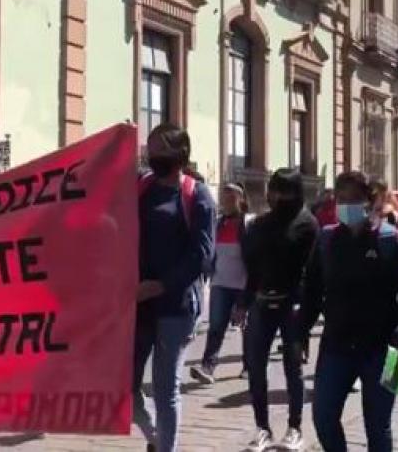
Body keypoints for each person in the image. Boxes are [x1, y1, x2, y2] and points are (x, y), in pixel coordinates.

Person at [301, 170, 398, 452]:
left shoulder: (394, 241)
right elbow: (311, 292)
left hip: (388, 351)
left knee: (379, 426)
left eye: (353, 199)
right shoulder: (326, 240)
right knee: (323, 417)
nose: (346, 205)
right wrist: (299, 333)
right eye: (341, 199)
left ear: (371, 201)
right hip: (336, 346)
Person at [134, 123, 215, 452]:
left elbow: (201, 254)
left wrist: (161, 286)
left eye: (160, 150)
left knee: (166, 388)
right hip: (137, 304)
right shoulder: (142, 187)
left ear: (179, 154)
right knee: (124, 386)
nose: (152, 156)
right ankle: (156, 436)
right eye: (149, 149)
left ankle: (166, 447)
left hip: (176, 307)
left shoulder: (197, 196)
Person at [239, 169, 319, 452]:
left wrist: (307, 309)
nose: (273, 196)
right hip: (262, 302)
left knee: (292, 368)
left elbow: (312, 271)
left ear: (294, 193)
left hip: (292, 305)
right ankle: (262, 428)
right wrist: (243, 302)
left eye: (280, 191)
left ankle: (294, 427)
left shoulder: (307, 224)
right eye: (272, 190)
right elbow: (253, 268)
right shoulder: (260, 224)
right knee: (255, 366)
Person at [192, 183, 250, 384]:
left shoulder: (248, 224)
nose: (225, 202)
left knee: (247, 328)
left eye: (230, 197)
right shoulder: (217, 224)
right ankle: (207, 367)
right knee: (216, 327)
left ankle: (250, 366)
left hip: (243, 285)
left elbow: (253, 258)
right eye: (223, 197)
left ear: (240, 200)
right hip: (220, 284)